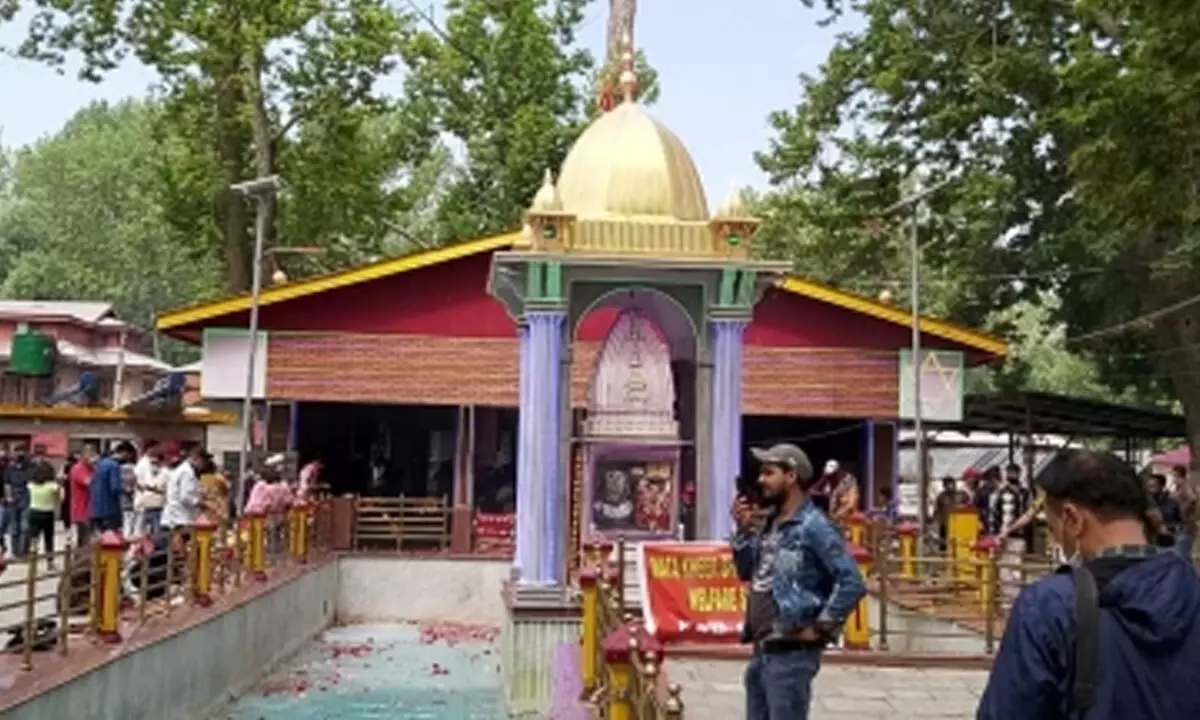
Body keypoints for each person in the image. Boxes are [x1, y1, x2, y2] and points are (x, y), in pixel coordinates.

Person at [977, 449, 1200, 719]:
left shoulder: (1049, 607)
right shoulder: (1191, 587)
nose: (1055, 538)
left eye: (1051, 526)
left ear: (1073, 519)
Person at [732, 443, 867, 720]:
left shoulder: (814, 526)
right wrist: (743, 531)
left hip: (791, 655)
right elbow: (747, 572)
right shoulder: (770, 523)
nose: (761, 481)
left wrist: (821, 628)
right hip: (762, 649)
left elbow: (852, 582)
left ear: (791, 476)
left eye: (769, 473)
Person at [90, 442, 135, 534]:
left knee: (99, 537)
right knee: (110, 538)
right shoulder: (114, 465)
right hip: (109, 507)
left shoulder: (101, 463)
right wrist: (127, 490)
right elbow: (114, 487)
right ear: (125, 453)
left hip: (96, 507)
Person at [4, 444, 36, 557]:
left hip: (26, 497)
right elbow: (7, 483)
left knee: (25, 526)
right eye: (17, 451)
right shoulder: (10, 468)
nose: (20, 454)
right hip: (13, 498)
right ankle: (15, 552)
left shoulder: (31, 467)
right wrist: (8, 497)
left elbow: (33, 483)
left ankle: (23, 552)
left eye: (22, 451)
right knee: (13, 526)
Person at [162, 445, 202, 532]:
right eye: (202, 461)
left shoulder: (182, 470)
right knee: (180, 543)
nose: (202, 464)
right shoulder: (187, 472)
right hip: (180, 517)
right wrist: (200, 502)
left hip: (175, 516)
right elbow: (185, 497)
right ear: (196, 458)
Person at [27, 467, 60, 566]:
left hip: (34, 512)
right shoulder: (53, 486)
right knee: (48, 538)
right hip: (48, 513)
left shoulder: (31, 485)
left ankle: (33, 559)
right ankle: (50, 561)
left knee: (34, 537)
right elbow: (59, 498)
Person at [134, 442, 169, 536]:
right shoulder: (144, 466)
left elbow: (164, 489)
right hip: (146, 504)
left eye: (156, 463)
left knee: (157, 529)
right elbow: (138, 481)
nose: (154, 465)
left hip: (159, 505)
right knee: (144, 529)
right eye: (152, 463)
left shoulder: (165, 472)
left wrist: (153, 489)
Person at [69, 443, 97, 546]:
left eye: (94, 454)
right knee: (83, 540)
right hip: (81, 511)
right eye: (90, 454)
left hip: (91, 509)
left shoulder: (92, 468)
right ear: (84, 455)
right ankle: (80, 561)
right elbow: (89, 482)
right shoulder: (78, 468)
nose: (93, 457)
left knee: (90, 540)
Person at [1169, 464, 1197, 559]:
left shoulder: (1185, 486)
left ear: (1179, 476)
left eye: (1174, 476)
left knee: (1182, 554)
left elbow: (1193, 498)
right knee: (1182, 554)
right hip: (1180, 525)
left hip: (1186, 525)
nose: (1173, 479)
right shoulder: (1178, 487)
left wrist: (1184, 509)